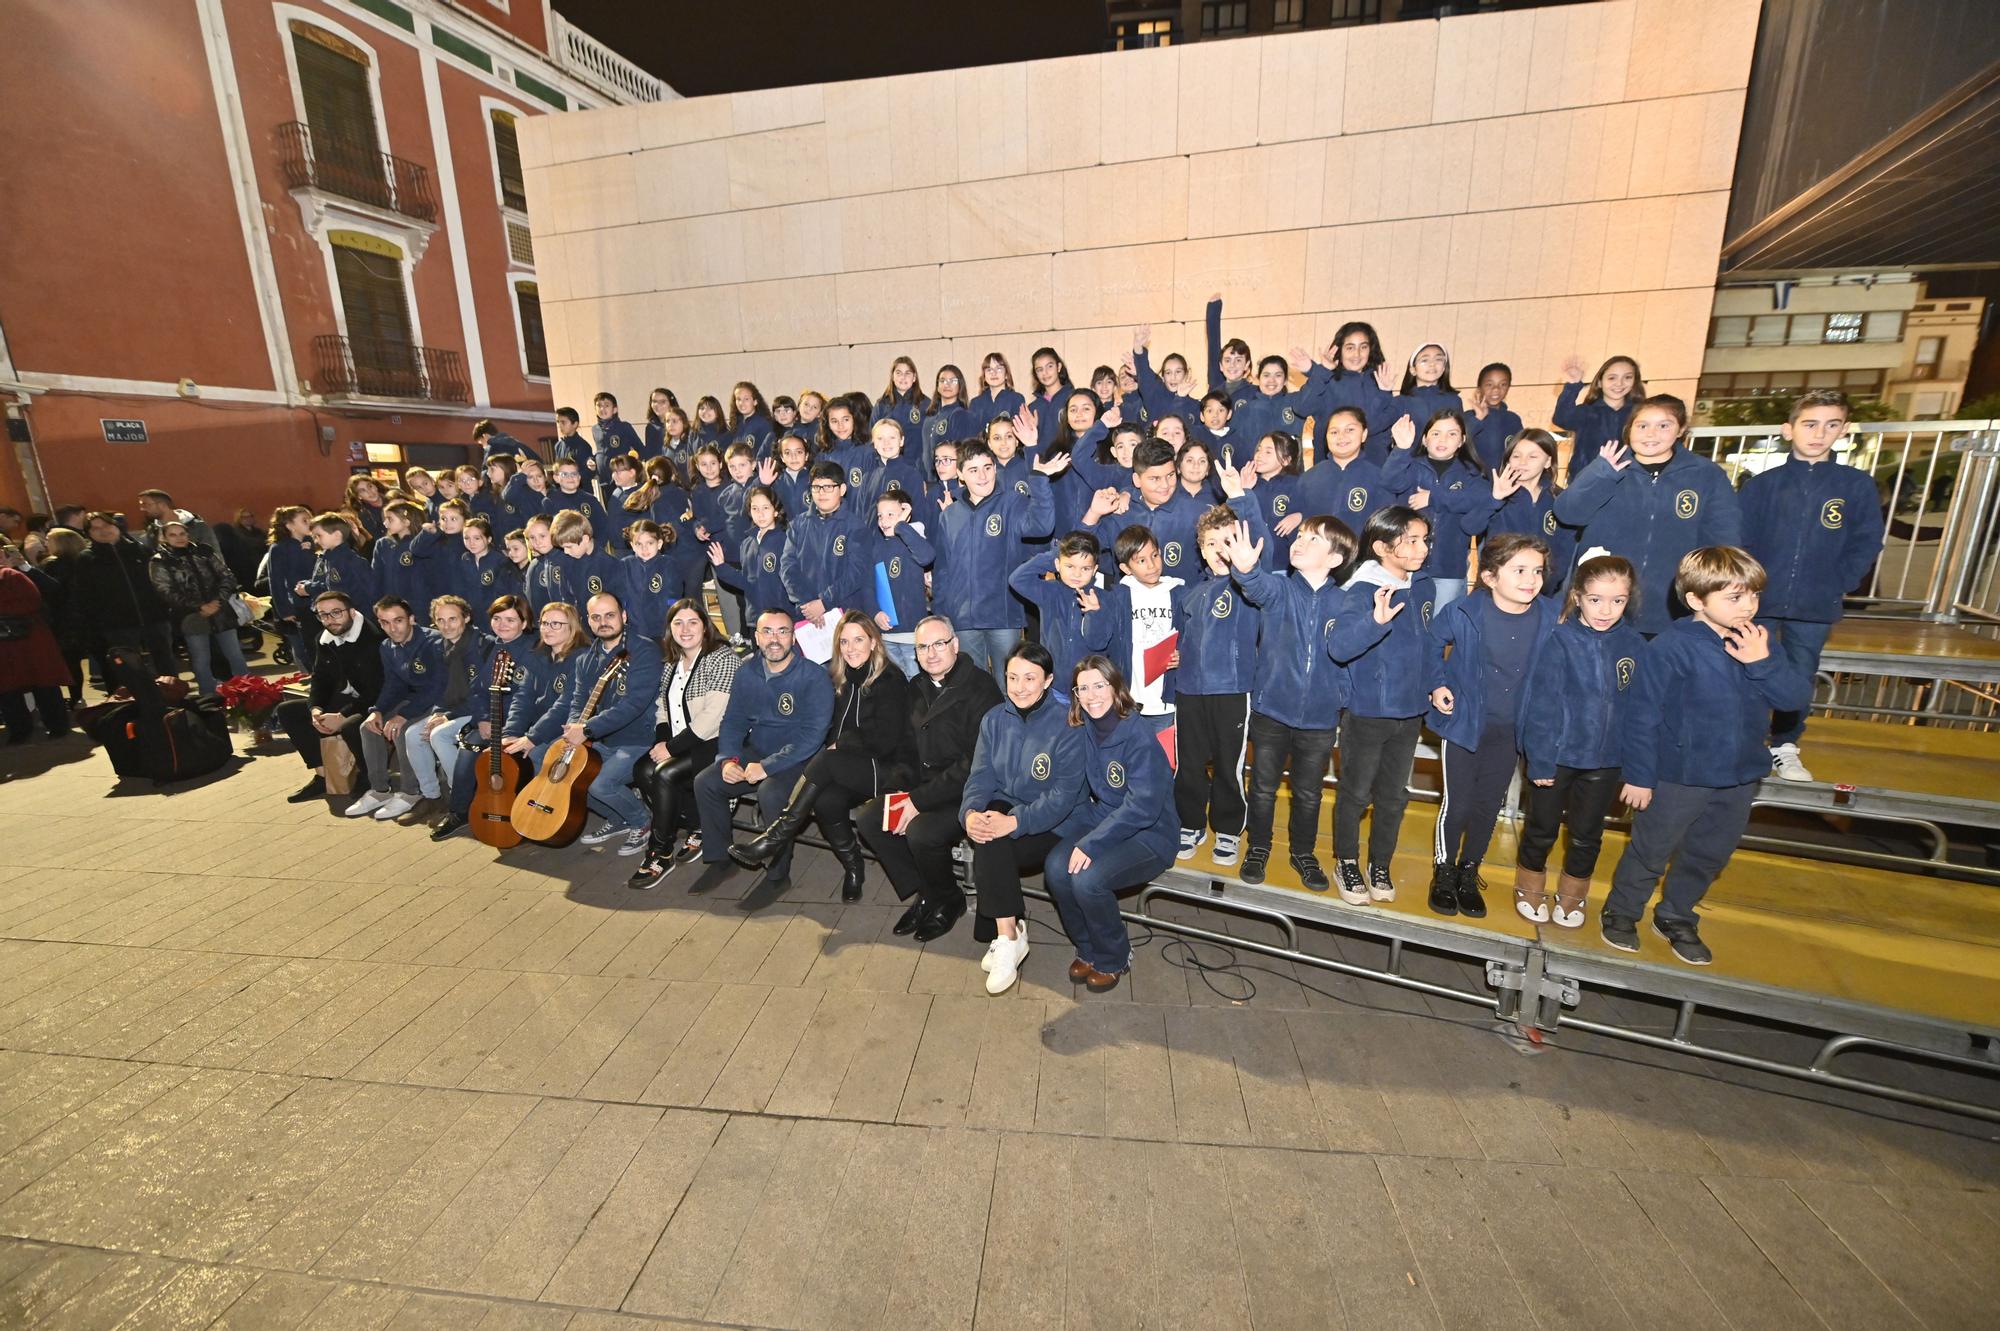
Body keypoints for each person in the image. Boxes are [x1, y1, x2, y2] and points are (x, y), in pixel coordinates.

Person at [1604, 547, 1813, 965]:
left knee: (1709, 853)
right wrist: (1640, 776)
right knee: (1651, 849)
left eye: (1753, 595)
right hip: (1678, 775)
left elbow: (1794, 699)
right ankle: (1622, 912)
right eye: (1734, 598)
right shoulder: (1672, 646)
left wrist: (1762, 663)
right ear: (1697, 600)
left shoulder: (1759, 640)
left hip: (1738, 777)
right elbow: (1642, 715)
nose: (1748, 606)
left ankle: (1677, 914)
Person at [1738, 389, 1886, 783]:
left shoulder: (1855, 486)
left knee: (1799, 675)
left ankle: (1785, 745)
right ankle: (1746, 738)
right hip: (1759, 602)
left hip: (1815, 604)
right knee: (1750, 667)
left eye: (1831, 424)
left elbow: (1866, 540)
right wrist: (1746, 590)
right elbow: (1741, 542)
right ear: (1789, 430)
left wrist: (1841, 582)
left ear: (1844, 429)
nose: (1819, 433)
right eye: (1809, 424)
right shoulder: (1762, 486)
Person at [729, 612, 914, 902]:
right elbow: (831, 729)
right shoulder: (843, 679)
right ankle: (854, 867)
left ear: (875, 643)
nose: (851, 648)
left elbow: (885, 740)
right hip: (852, 767)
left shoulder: (890, 679)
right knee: (827, 802)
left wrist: (841, 745)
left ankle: (773, 837)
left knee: (827, 760)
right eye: (844, 642)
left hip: (887, 769)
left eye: (858, 640)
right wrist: (835, 746)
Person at [1422, 532, 1555, 918]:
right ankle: (1444, 870)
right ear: (1491, 577)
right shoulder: (1465, 611)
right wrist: (1437, 683)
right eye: (1519, 570)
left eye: (1537, 571)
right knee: (1459, 802)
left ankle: (1469, 870)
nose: (1531, 579)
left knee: (1486, 806)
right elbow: (1431, 644)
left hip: (1512, 730)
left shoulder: (1551, 615)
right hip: (1465, 723)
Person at [933, 642, 1087, 969]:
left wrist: (1014, 822)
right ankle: (1009, 935)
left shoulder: (1068, 724)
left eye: (1030, 678)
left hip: (1058, 823)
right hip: (1011, 808)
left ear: (1048, 681)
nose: (1019, 687)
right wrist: (970, 812)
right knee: (989, 827)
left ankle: (1007, 935)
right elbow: (980, 775)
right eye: (1012, 677)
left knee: (996, 832)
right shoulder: (994, 719)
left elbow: (1063, 798)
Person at [1223, 514, 1353, 889]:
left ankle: (1303, 853)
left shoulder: (1345, 602)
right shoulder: (1280, 589)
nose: (1299, 542)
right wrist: (1246, 569)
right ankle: (1258, 846)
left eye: (1313, 539)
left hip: (1319, 717)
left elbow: (1352, 654)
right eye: (1299, 535)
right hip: (1272, 710)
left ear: (1334, 558)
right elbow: (1255, 586)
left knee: (1309, 793)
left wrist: (1338, 697)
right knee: (1262, 786)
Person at [1516, 550, 1643, 927]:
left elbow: (1640, 711)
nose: (1606, 609)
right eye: (1596, 600)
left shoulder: (1635, 646)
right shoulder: (1559, 640)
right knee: (1542, 827)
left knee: (1588, 834)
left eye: (1617, 600)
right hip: (1557, 756)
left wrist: (1636, 766)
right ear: (1577, 597)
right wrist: (1539, 759)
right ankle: (1529, 883)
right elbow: (1541, 705)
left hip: (1605, 761)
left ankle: (1573, 895)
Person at [856, 613, 1005, 928]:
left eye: (939, 644)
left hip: (967, 791)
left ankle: (949, 898)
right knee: (871, 817)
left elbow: (975, 762)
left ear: (956, 645)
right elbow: (907, 746)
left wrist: (917, 801)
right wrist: (898, 789)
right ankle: (927, 891)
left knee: (921, 832)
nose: (931, 653)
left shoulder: (981, 687)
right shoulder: (918, 685)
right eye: (923, 647)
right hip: (924, 785)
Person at [1043, 655, 1178, 994]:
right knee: (1057, 868)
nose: (1091, 695)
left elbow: (1142, 808)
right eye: (1083, 688)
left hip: (1152, 833)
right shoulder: (1085, 728)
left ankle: (1114, 956)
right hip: (1108, 818)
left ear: (1116, 687)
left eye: (1099, 685)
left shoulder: (1138, 736)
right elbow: (1078, 787)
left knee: (1089, 880)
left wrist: (1090, 843)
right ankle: (1087, 949)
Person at [1552, 394, 1740, 639]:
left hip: (1671, 606)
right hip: (1605, 603)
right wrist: (1601, 474)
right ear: (1629, 430)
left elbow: (1724, 539)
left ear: (1681, 429)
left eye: (1664, 425)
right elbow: (1567, 513)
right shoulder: (1609, 466)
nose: (1651, 434)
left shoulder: (1706, 475)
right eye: (1642, 426)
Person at [1327, 506, 1439, 903]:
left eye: (1424, 539)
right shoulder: (1361, 589)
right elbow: (1339, 648)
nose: (1422, 547)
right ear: (1381, 547)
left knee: (1394, 795)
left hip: (1408, 712)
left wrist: (1435, 684)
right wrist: (1375, 622)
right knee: (1356, 792)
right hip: (1368, 711)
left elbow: (1428, 644)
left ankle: (1380, 862)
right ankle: (1346, 860)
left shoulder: (1423, 586)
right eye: (1411, 540)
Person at [694, 609, 834, 893]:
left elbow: (812, 737)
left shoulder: (814, 676)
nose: (775, 639)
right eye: (767, 632)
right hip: (757, 750)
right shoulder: (747, 672)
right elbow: (733, 721)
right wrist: (728, 760)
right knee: (707, 782)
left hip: (800, 759)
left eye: (782, 631)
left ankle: (777, 874)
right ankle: (720, 859)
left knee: (770, 792)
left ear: (793, 637)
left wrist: (767, 767)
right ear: (756, 637)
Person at [523, 591, 666, 853]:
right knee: (549, 760)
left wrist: (588, 729)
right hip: (600, 737)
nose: (604, 622)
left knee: (601, 784)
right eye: (596, 617)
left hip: (637, 739)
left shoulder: (644, 650)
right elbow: (578, 699)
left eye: (610, 615)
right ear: (588, 621)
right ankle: (617, 819)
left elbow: (634, 705)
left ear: (623, 616)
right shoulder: (586, 658)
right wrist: (573, 727)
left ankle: (641, 821)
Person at [626, 599, 741, 886]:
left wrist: (671, 749)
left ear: (705, 626)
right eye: (678, 623)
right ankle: (696, 824)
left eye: (692, 622)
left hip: (717, 742)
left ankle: (659, 853)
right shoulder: (672, 663)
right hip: (682, 741)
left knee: (665, 773)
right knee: (643, 770)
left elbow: (715, 715)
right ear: (670, 629)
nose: (685, 629)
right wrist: (663, 742)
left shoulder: (722, 657)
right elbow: (662, 708)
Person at [1170, 505, 1261, 864]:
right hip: (1190, 689)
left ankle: (1228, 828)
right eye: (1211, 543)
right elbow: (1181, 639)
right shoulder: (1191, 594)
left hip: (1232, 690)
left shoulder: (1248, 589)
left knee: (1229, 763)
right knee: (1188, 762)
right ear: (1201, 550)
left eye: (1228, 541)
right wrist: (1176, 657)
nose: (1220, 549)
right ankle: (1190, 823)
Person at [929, 440, 1062, 677]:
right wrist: (942, 614)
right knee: (975, 686)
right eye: (973, 470)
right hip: (963, 620)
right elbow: (943, 571)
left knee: (1009, 683)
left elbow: (1042, 526)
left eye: (987, 467)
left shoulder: (1012, 503)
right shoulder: (949, 515)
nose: (982, 476)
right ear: (960, 474)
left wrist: (1040, 480)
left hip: (1003, 617)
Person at [431, 594, 535, 841]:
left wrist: (506, 726)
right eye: (497, 619)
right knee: (469, 748)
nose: (502, 625)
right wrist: (484, 718)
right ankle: (459, 812)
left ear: (524, 622)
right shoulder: (497, 647)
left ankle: (521, 814)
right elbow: (476, 690)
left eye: (510, 619)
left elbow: (530, 697)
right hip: (492, 718)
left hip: (521, 722)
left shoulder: (534, 650)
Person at [275, 591, 386, 803]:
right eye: (323, 615)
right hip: (347, 698)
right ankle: (322, 775)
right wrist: (316, 708)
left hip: (376, 701)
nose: (330, 620)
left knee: (351, 725)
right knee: (288, 711)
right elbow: (320, 679)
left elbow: (376, 690)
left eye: (336, 613)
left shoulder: (374, 638)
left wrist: (342, 715)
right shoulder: (324, 639)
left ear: (352, 612)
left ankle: (369, 777)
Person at [348, 596, 447, 822]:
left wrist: (403, 716)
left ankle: (411, 792)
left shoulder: (434, 642)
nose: (393, 628)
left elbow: (437, 687)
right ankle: (380, 790)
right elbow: (393, 685)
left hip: (440, 701)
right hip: (414, 700)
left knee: (402, 730)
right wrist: (378, 710)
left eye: (398, 620)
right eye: (385, 622)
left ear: (411, 619)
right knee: (368, 726)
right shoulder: (386, 646)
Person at [397, 595, 490, 822]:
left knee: (439, 736)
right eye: (440, 620)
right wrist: (438, 712)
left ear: (466, 618)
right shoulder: (440, 646)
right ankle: (432, 797)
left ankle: (461, 798)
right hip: (453, 708)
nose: (446, 626)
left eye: (452, 619)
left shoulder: (482, 645)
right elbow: (439, 686)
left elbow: (481, 693)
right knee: (412, 734)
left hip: (479, 709)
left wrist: (446, 717)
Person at [147, 518, 250, 696]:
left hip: (221, 611)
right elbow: (165, 591)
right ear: (163, 538)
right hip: (191, 616)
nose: (179, 538)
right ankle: (208, 696)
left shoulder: (203, 552)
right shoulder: (160, 561)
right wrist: (198, 606)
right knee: (201, 659)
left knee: (235, 655)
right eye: (172, 535)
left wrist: (218, 600)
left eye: (182, 534)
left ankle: (249, 692)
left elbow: (226, 576)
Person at [71, 512, 175, 678]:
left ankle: (174, 697)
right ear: (89, 534)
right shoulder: (87, 559)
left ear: (115, 525)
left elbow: (160, 581)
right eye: (96, 528)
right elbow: (85, 595)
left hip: (154, 618)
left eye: (106, 525)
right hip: (118, 625)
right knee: (130, 668)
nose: (103, 531)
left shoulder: (140, 550)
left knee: (165, 663)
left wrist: (163, 608)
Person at [0, 540, 71, 743]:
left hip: (25, 639)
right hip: (27, 638)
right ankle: (55, 726)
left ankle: (24, 730)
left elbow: (34, 599)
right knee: (37, 684)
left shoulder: (13, 575)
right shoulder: (12, 575)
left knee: (14, 688)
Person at [1552, 355, 1643, 486]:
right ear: (1599, 382)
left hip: (1628, 484)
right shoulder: (1587, 412)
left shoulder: (1640, 414)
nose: (1619, 383)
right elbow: (1561, 418)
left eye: (1627, 377)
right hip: (1586, 483)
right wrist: (1572, 386)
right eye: (1612, 378)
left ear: (1635, 381)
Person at [137, 488, 219, 553]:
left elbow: (215, 556)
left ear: (162, 505)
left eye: (145, 504)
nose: (142, 509)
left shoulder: (198, 526)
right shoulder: (152, 532)